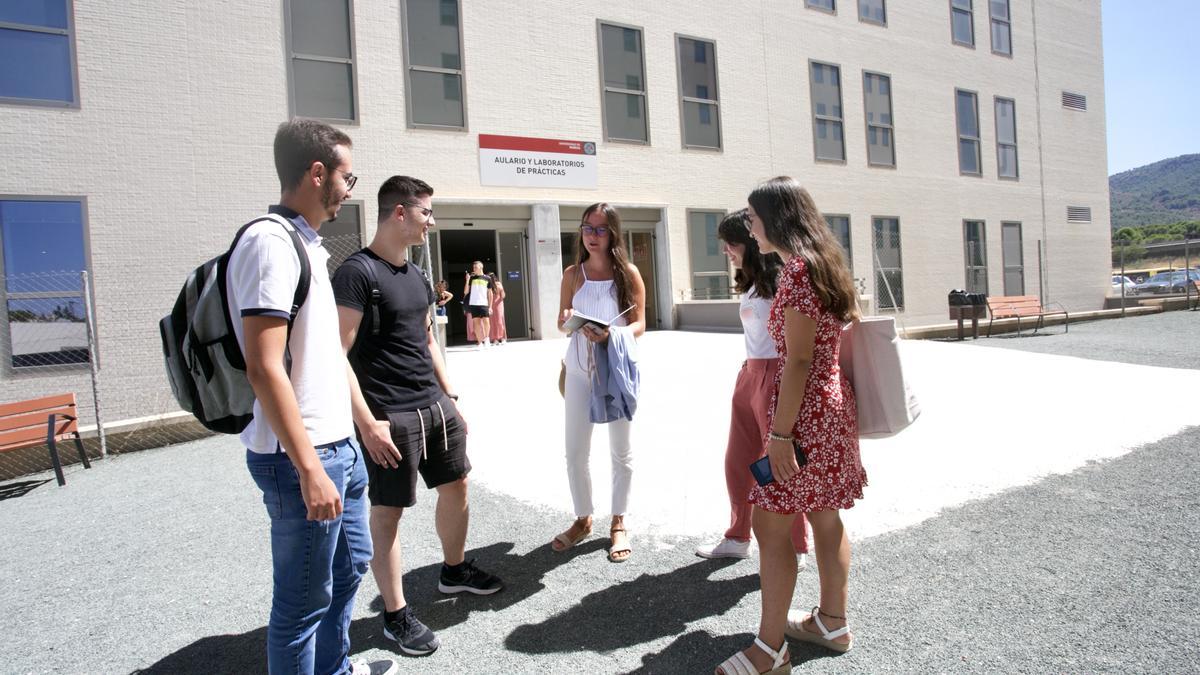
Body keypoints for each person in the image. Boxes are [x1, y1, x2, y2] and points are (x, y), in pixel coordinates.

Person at [232, 119, 395, 675]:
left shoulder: (308, 246)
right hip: (301, 457)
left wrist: (366, 424)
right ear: (318, 173)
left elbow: (328, 356)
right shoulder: (269, 243)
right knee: (302, 606)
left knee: (349, 571)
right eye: (348, 177)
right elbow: (263, 365)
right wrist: (308, 467)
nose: (351, 190)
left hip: (340, 448)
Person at [332, 176, 503, 658]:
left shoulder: (417, 275)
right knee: (388, 513)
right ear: (400, 213)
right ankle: (395, 614)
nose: (433, 221)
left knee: (458, 486)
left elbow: (427, 339)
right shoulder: (356, 273)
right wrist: (367, 422)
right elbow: (335, 353)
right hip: (390, 415)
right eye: (427, 212)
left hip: (434, 405)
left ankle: (454, 571)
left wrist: (450, 396)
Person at [716, 177, 866, 675]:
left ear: (775, 218)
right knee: (825, 514)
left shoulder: (798, 272)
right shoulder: (825, 264)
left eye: (754, 219)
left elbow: (797, 359)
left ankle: (770, 648)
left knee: (770, 524)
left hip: (804, 419)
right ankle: (831, 622)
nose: (751, 229)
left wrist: (780, 436)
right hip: (832, 409)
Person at [695, 209, 809, 567]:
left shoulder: (780, 282)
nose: (726, 250)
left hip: (774, 373)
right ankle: (738, 536)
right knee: (737, 461)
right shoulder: (753, 282)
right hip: (750, 372)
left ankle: (797, 545)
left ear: (749, 242)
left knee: (777, 464)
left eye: (731, 243)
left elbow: (796, 345)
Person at [551, 202, 647, 563]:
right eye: (587, 228)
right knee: (575, 451)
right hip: (577, 372)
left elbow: (640, 326)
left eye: (601, 229)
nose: (592, 236)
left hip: (616, 371)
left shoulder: (629, 274)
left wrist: (611, 336)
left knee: (620, 451)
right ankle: (583, 517)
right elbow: (560, 325)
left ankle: (619, 520)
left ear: (613, 233)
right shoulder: (573, 274)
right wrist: (567, 321)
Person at [462, 262, 493, 348]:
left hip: (484, 303)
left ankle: (486, 338)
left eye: (475, 267)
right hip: (473, 303)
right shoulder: (472, 278)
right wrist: (467, 280)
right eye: (473, 267)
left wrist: (490, 306)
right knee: (476, 323)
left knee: (486, 321)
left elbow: (490, 293)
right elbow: (465, 292)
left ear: (481, 267)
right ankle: (480, 342)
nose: (474, 269)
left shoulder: (487, 278)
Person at [488, 272, 508, 344]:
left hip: (498, 304)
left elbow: (503, 295)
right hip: (490, 304)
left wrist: (501, 289)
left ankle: (502, 338)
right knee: (492, 322)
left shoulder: (499, 284)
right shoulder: (488, 285)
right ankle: (495, 339)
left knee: (500, 321)